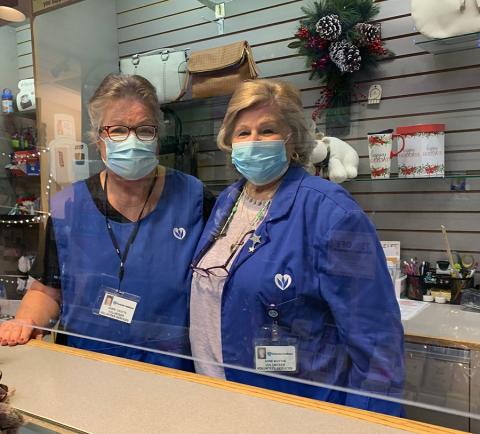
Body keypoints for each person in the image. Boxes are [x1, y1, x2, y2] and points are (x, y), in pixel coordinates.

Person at [189, 79, 404, 415]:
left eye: (267, 129)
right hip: (216, 397)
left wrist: (369, 422)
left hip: (291, 408)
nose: (253, 141)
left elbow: (376, 342)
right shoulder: (228, 201)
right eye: (242, 132)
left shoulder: (332, 212)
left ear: (293, 139)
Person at [0, 74, 214, 370]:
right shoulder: (69, 207)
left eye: (143, 129)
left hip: (173, 372)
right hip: (87, 367)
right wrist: (24, 322)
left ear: (157, 134)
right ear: (97, 137)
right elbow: (47, 290)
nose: (131, 139)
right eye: (117, 130)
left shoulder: (194, 199)